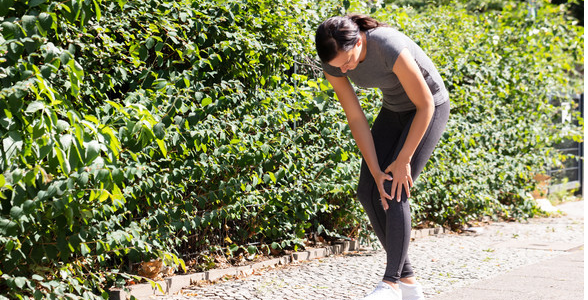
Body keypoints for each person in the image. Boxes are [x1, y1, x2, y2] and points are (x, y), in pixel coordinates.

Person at [315, 14, 450, 300]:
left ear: (358, 40)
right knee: (368, 190)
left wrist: (403, 161)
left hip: (429, 109)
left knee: (394, 188)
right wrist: (375, 169)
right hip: (393, 111)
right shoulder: (333, 64)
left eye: (348, 60)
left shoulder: (388, 45)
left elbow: (425, 104)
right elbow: (355, 116)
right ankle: (410, 285)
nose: (346, 68)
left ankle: (389, 285)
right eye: (339, 66)